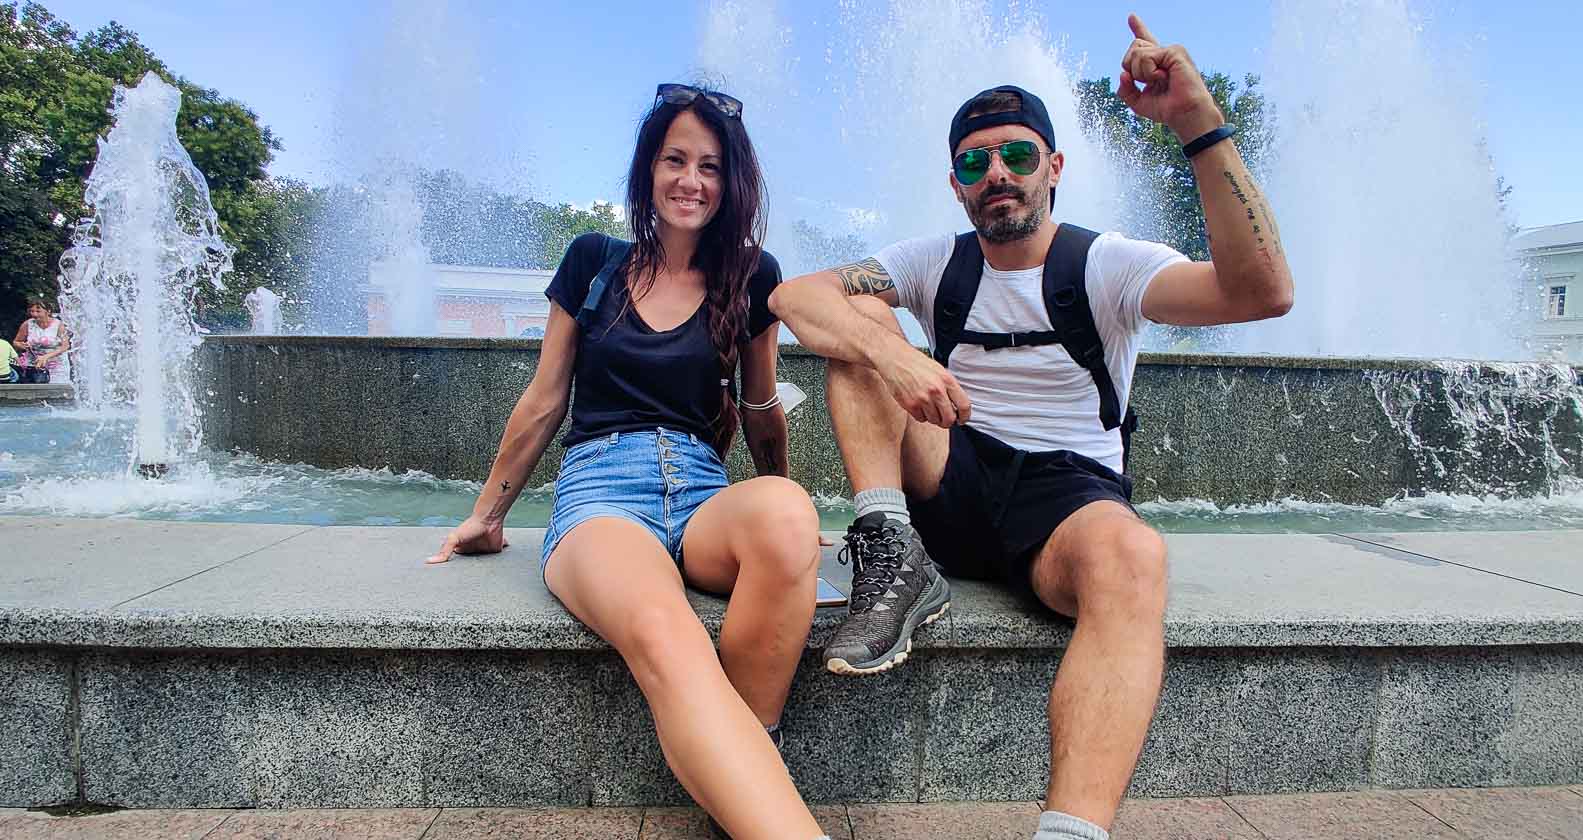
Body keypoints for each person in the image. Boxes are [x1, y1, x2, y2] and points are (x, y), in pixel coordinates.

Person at [768, 15, 1294, 840]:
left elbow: (1260, 293)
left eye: (1017, 155)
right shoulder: (936, 260)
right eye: (975, 163)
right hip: (948, 475)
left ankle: (1070, 833)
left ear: (1054, 167)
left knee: (1134, 556)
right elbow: (792, 296)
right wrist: (897, 356)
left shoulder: (1108, 263)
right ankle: (891, 550)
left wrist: (1198, 124)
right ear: (956, 184)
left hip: (1066, 499)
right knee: (854, 318)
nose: (998, 174)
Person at [428, 84, 832, 840]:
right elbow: (546, 399)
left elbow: (758, 408)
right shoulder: (593, 262)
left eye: (710, 166)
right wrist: (488, 515)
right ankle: (767, 806)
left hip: (703, 492)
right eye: (675, 159)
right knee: (667, 632)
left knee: (787, 517)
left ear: (731, 180)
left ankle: (748, 759)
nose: (691, 179)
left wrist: (789, 505)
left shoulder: (752, 275)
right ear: (648, 169)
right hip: (603, 496)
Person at [13, 299, 71, 383]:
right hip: (34, 365)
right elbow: (16, 342)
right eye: (32, 311)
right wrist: (22, 345)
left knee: (57, 390)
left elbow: (65, 346)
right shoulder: (27, 324)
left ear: (48, 311)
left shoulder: (58, 325)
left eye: (38, 311)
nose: (34, 314)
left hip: (57, 365)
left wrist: (46, 357)